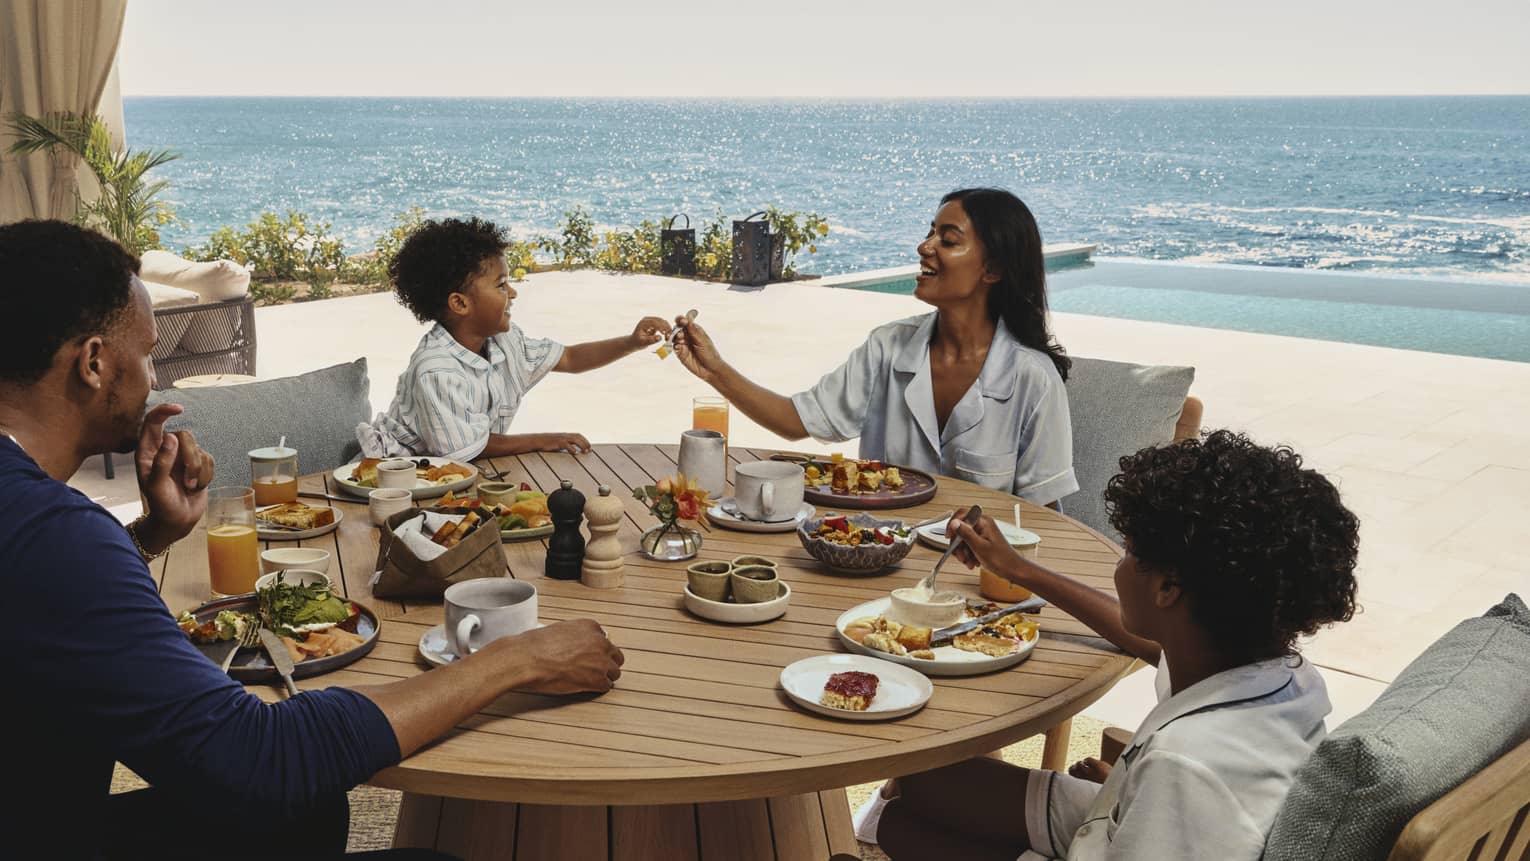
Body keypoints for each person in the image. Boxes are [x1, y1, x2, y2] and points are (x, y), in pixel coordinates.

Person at [0, 220, 626, 860]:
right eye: (148, 353)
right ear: (95, 362)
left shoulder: (39, 531)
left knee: (306, 814)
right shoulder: (58, 534)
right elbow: (258, 758)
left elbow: (44, 604)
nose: (154, 378)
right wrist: (518, 660)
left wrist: (152, 536)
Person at [868, 430, 1360, 860]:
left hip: (1139, 826)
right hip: (1134, 816)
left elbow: (1187, 799)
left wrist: (1149, 799)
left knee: (900, 828)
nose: (1119, 564)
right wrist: (1019, 569)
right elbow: (1146, 639)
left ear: (1168, 589)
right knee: (920, 782)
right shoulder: (1257, 667)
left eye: (1129, 551)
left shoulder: (1184, 764)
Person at [672, 188, 1077, 506]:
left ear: (993, 269)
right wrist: (714, 370)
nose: (925, 246)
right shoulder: (888, 347)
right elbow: (795, 421)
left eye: (948, 240)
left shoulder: (1032, 380)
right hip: (878, 559)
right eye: (929, 232)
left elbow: (1041, 519)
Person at [356, 216, 669, 461]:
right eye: (502, 285)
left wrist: (631, 342)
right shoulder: (436, 369)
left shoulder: (504, 342)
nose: (513, 293)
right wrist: (546, 439)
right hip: (391, 476)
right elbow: (466, 449)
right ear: (460, 303)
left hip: (444, 473)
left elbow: (571, 358)